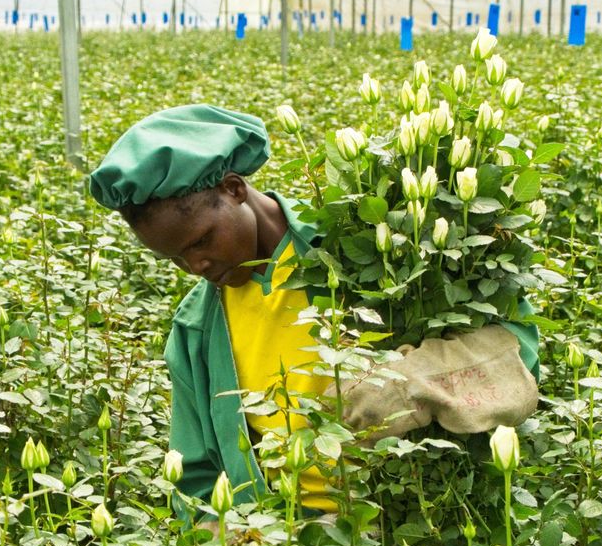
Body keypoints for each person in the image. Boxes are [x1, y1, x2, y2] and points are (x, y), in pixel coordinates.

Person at [89, 104, 539, 519]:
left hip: (408, 522)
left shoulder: (372, 249)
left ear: (234, 189)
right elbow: (196, 476)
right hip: (277, 544)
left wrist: (410, 384)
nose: (196, 267)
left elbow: (517, 346)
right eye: (176, 259)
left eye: (201, 241)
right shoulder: (197, 327)